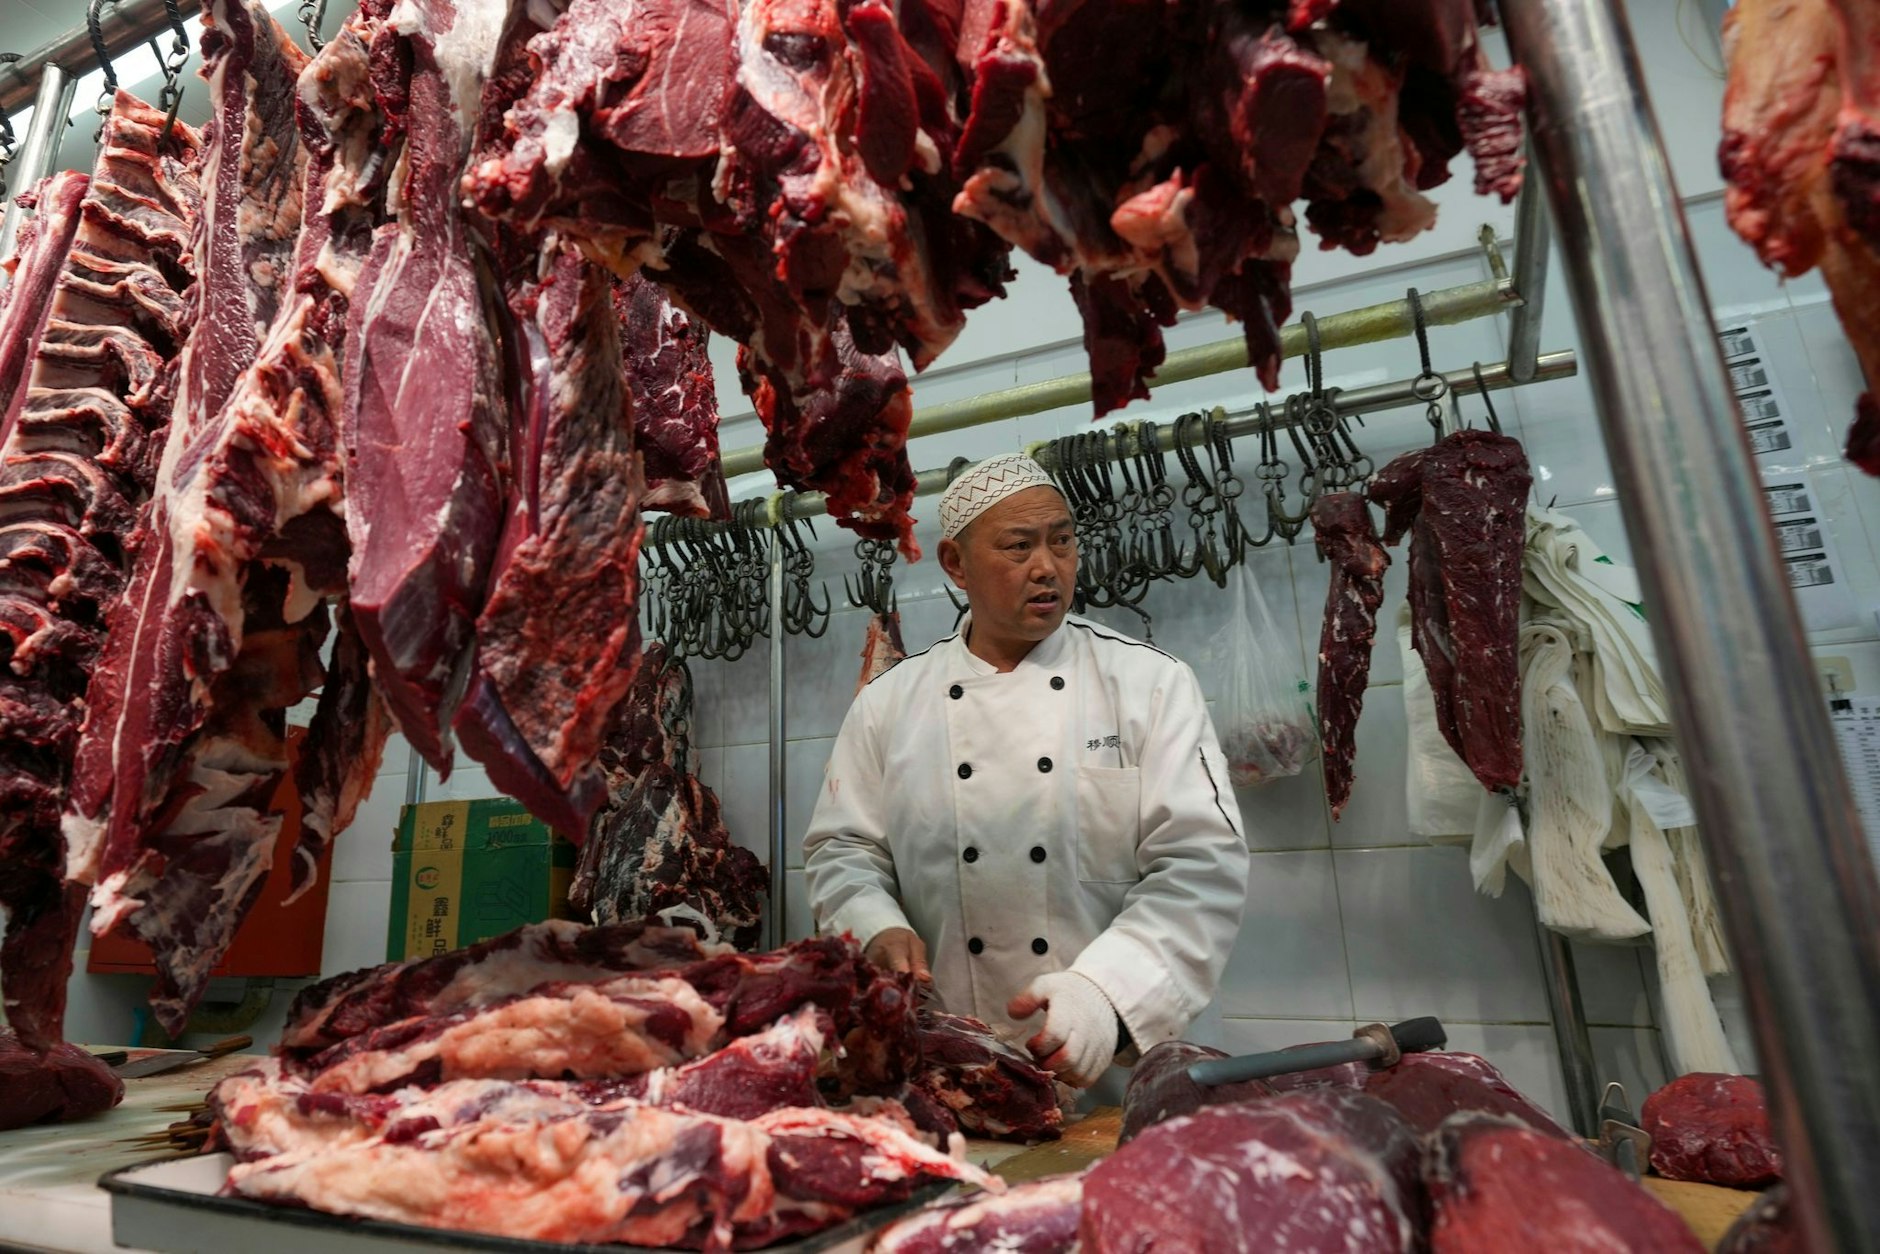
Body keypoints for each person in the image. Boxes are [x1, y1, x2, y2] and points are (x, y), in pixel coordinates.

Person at [803, 452, 1250, 1091]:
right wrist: (877, 924)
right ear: (955, 564)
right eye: (1018, 547)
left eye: (1062, 542)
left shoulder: (1149, 684)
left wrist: (1109, 995)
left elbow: (1204, 865)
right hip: (951, 1062)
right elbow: (842, 849)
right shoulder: (889, 704)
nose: (1048, 567)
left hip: (1120, 1064)